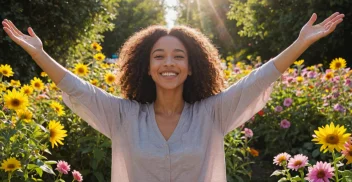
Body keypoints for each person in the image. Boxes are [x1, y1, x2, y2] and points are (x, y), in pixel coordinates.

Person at [1, 12, 344, 182]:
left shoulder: (214, 114)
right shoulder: (122, 115)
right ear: (146, 67)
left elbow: (257, 81)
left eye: (179, 56)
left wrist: (301, 43)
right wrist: (38, 55)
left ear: (192, 67)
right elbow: (78, 88)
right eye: (159, 56)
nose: (169, 63)